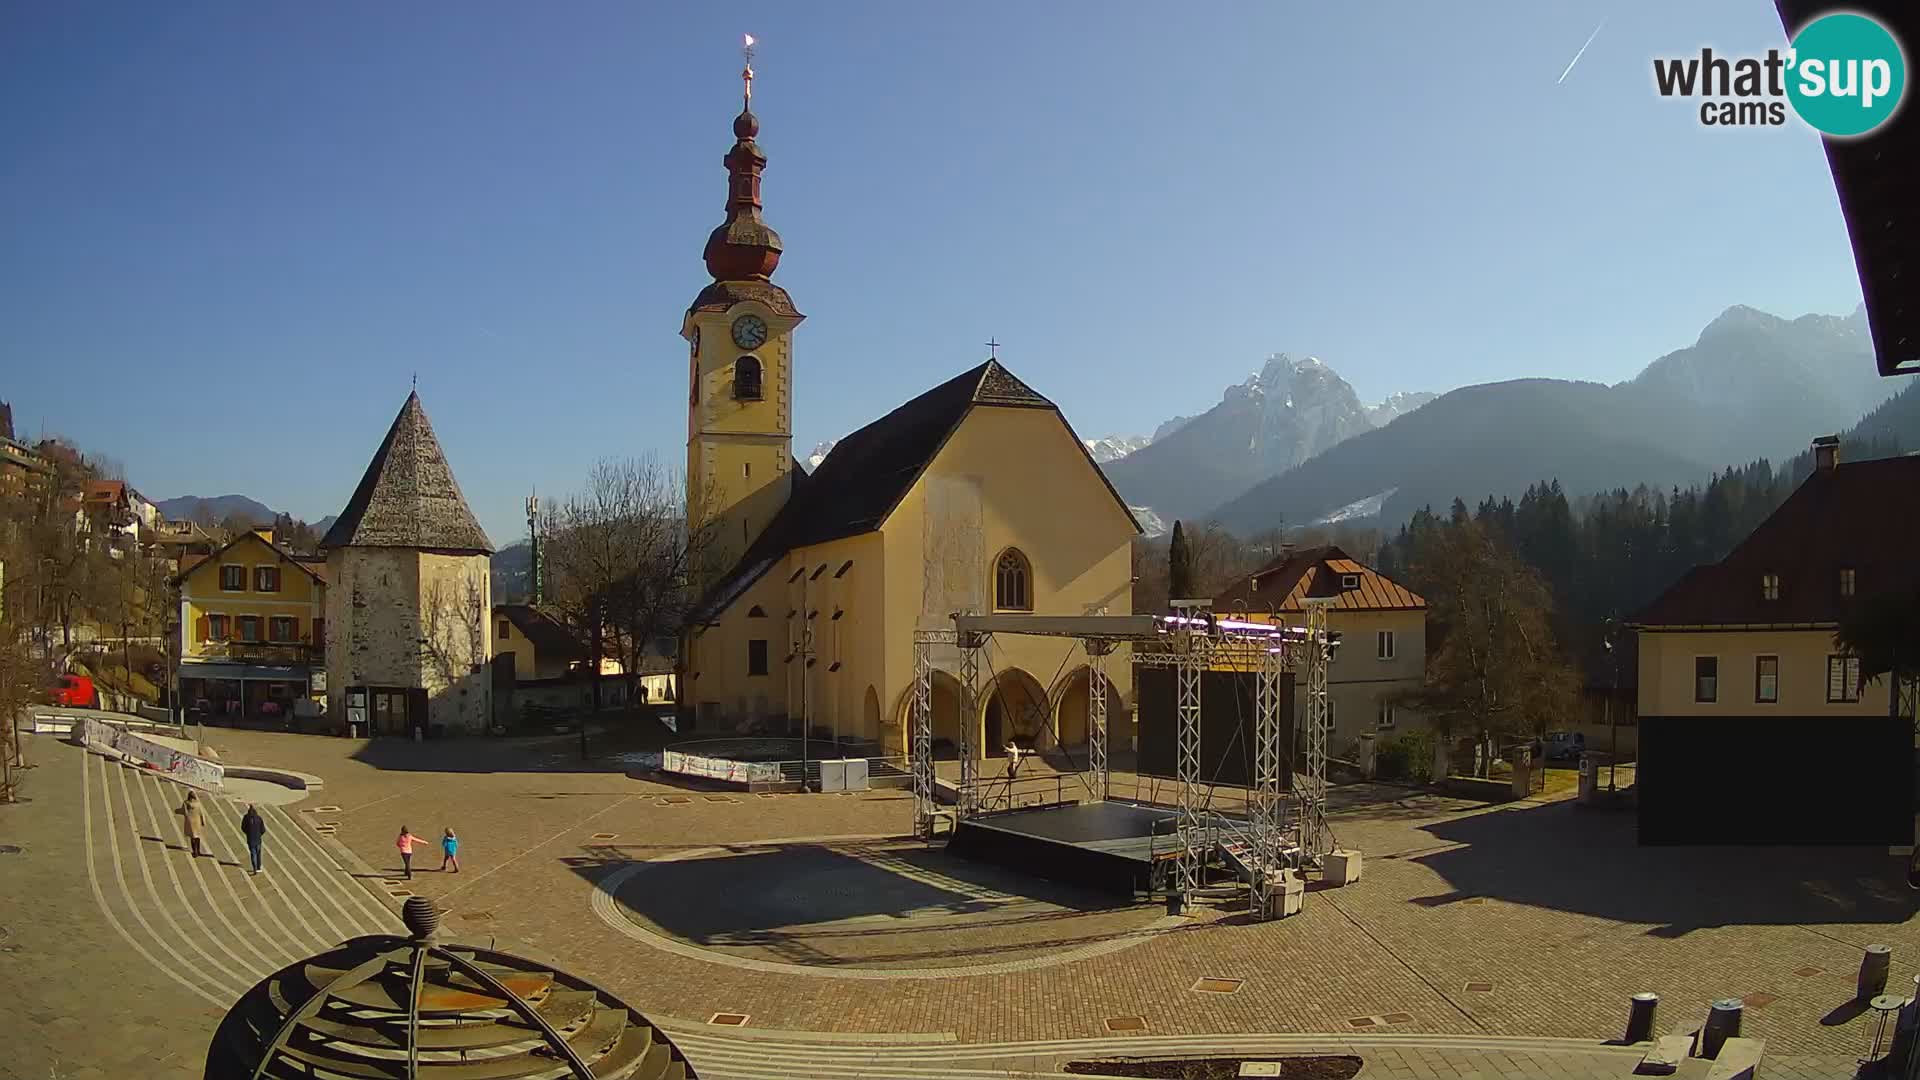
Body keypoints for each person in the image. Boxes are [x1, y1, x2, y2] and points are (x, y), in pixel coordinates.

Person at [178, 791, 206, 857]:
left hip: (190, 821)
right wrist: (203, 821)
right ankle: (198, 851)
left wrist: (177, 811)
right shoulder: (198, 803)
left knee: (192, 837)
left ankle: (195, 852)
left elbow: (184, 812)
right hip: (197, 821)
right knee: (197, 837)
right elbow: (201, 813)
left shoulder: (186, 803)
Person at [241, 804, 266, 875]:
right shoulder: (259, 818)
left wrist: (248, 833)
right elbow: (263, 829)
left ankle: (254, 868)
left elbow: (243, 827)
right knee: (258, 853)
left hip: (250, 839)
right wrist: (259, 834)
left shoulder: (246, 818)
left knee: (253, 854)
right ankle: (258, 867)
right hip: (258, 839)